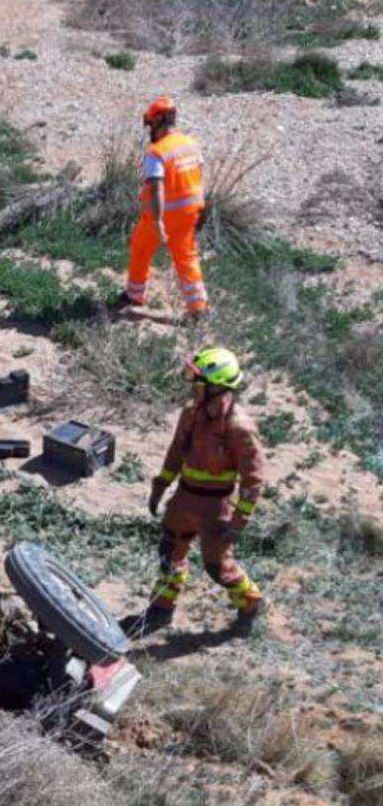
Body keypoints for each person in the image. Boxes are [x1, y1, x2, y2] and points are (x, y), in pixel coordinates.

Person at [123, 347, 265, 639]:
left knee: (218, 567)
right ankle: (161, 609)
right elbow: (177, 450)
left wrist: (238, 522)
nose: (193, 386)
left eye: (199, 381)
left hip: (216, 507)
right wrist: (160, 484)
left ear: (217, 386)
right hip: (184, 499)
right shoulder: (191, 413)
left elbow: (254, 479)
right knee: (169, 553)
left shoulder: (238, 427)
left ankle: (250, 605)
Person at [117, 95, 208, 319]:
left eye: (149, 124)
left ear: (156, 122)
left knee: (141, 249)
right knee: (186, 257)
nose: (149, 130)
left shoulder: (156, 152)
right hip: (190, 213)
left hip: (161, 216)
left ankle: (134, 296)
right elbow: (200, 176)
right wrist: (203, 206)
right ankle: (198, 309)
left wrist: (158, 221)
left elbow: (156, 186)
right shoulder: (190, 143)